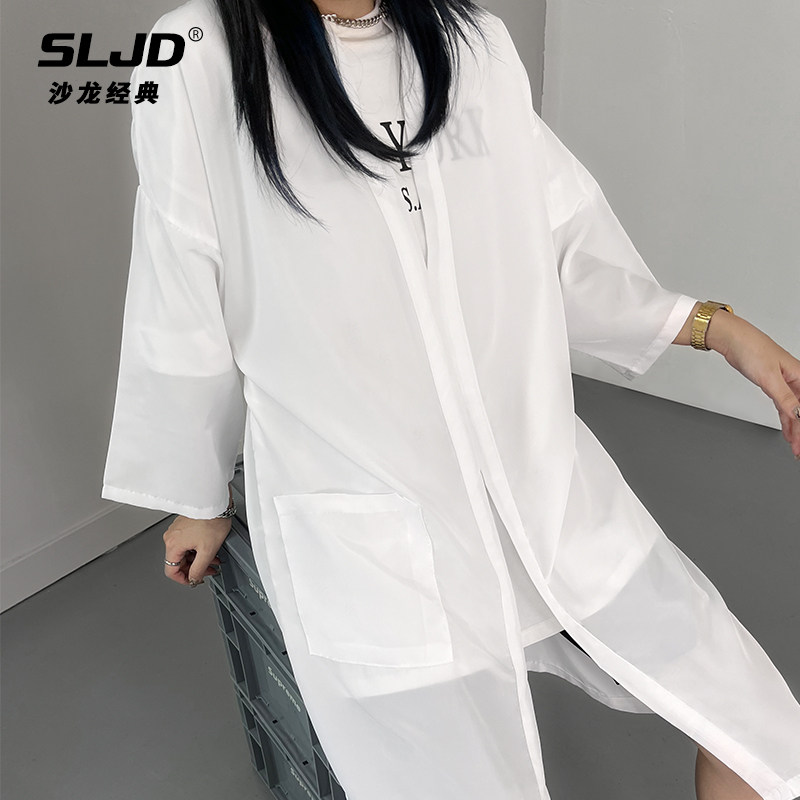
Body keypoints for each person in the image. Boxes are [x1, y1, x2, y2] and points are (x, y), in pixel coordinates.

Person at [101, 0, 800, 798]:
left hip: (544, 493)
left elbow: (557, 243)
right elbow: (180, 279)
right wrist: (195, 495)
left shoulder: (473, 43)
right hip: (374, 523)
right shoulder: (199, 54)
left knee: (760, 736)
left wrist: (717, 329)